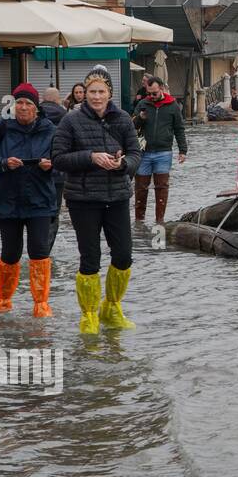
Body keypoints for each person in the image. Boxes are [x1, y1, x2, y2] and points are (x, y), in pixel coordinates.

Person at [52, 66, 141, 333]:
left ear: (110, 93)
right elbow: (58, 159)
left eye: (102, 91)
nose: (97, 96)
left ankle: (112, 307)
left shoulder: (123, 118)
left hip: (117, 196)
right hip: (83, 199)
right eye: (92, 91)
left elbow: (137, 154)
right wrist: (90, 157)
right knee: (90, 257)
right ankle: (89, 314)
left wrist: (124, 165)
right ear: (84, 94)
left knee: (124, 255)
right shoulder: (70, 121)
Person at [0, 83, 58, 318]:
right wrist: (2, 163)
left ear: (36, 108)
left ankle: (41, 304)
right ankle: (3, 301)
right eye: (19, 103)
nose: (22, 107)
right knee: (11, 252)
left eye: (28, 103)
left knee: (40, 251)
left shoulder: (50, 130)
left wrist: (49, 166)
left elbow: (63, 162)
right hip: (7, 199)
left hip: (40, 199)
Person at [132, 76, 188, 223]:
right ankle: (139, 222)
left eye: (154, 93)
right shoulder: (143, 103)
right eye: (149, 93)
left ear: (161, 89)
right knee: (140, 187)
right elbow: (131, 126)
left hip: (164, 152)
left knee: (162, 187)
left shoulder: (172, 105)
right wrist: (140, 118)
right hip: (144, 152)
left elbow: (179, 129)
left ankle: (160, 221)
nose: (151, 96)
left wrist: (183, 151)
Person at [39, 87, 69, 248]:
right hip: (58, 173)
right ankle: (46, 248)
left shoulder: (34, 115)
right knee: (54, 211)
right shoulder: (66, 117)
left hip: (37, 171)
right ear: (58, 100)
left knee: (36, 211)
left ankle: (35, 247)